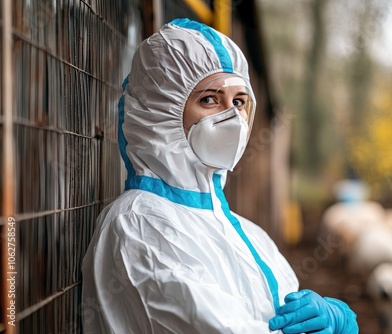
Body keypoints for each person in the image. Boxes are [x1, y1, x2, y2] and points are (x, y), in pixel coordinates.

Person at [82, 18, 358, 334]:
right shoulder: (139, 224)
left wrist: (336, 318)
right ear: (160, 111)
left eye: (239, 101)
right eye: (210, 99)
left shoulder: (245, 232)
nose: (233, 117)